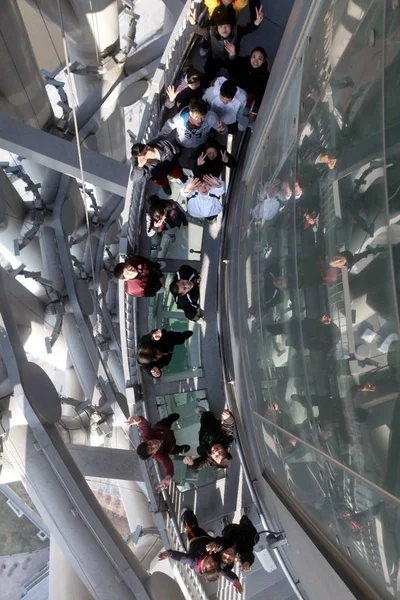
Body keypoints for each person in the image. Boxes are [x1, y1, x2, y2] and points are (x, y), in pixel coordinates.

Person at [158, 509, 242, 590]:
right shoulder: (214, 562)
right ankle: (207, 535)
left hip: (196, 537)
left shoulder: (194, 560)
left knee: (192, 524)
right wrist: (234, 579)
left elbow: (182, 558)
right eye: (215, 565)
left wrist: (169, 554)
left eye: (211, 566)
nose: (213, 563)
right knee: (208, 537)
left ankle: (185, 514)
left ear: (204, 568)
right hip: (208, 540)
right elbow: (225, 573)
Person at [187, 5, 264, 82]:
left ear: (231, 26)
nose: (224, 28)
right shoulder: (211, 32)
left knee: (234, 72)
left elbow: (248, 29)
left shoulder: (237, 31)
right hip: (215, 59)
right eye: (221, 26)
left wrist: (256, 23)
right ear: (216, 27)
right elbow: (199, 30)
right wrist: (193, 23)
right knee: (209, 73)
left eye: (227, 25)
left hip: (230, 60)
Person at [124, 414, 190, 491]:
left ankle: (170, 419)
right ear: (153, 454)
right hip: (171, 444)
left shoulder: (147, 436)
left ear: (147, 441)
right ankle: (179, 449)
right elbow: (167, 463)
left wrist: (138, 420)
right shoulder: (159, 456)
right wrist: (168, 476)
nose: (154, 444)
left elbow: (145, 426)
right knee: (176, 450)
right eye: (152, 449)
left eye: (150, 443)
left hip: (163, 427)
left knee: (171, 418)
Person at [160, 99, 226, 168]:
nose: (200, 120)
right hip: (181, 143)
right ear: (190, 113)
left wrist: (223, 129)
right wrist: (159, 137)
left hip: (201, 143)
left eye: (203, 117)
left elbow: (224, 130)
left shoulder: (211, 117)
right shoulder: (179, 119)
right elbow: (168, 127)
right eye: (197, 117)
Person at [228, 47, 270, 122]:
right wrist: (232, 56)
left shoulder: (264, 75)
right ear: (250, 57)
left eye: (259, 59)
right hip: (236, 93)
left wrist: (254, 111)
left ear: (263, 61)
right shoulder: (243, 62)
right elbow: (232, 72)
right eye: (254, 57)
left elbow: (260, 94)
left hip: (248, 99)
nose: (256, 61)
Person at [266, 315, 340, 356]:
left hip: (302, 334)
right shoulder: (323, 328)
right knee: (282, 328)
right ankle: (268, 329)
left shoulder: (326, 343)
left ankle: (268, 330)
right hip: (301, 329)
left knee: (282, 328)